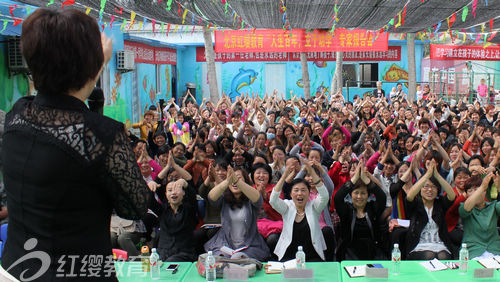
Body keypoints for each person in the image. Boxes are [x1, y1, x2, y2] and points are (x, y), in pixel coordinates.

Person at [1, 8, 150, 281]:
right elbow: (136, 207)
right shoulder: (103, 135)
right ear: (89, 66)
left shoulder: (16, 116)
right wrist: (96, 64)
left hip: (15, 267)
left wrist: (94, 64)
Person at [205, 166, 270, 261]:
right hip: (225, 244)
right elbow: (211, 197)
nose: (234, 181)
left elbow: (258, 199)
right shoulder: (224, 199)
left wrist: (237, 182)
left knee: (239, 259)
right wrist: (228, 181)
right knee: (220, 260)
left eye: (239, 178)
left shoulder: (251, 198)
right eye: (232, 178)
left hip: (250, 245)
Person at [270, 163, 329, 262]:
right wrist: (284, 175)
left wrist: (312, 172)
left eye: (303, 190)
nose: (299, 193)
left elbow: (324, 196)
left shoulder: (314, 206)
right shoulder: (287, 206)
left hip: (312, 255)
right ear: (291, 194)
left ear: (308, 193)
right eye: (296, 190)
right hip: (289, 256)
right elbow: (273, 200)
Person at [405, 161, 456, 260]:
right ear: (420, 189)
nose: (430, 190)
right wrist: (427, 174)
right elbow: (410, 196)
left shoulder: (440, 203)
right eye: (426, 186)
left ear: (437, 190)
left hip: (440, 245)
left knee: (443, 256)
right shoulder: (416, 204)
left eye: (433, 187)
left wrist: (437, 175)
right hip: (418, 245)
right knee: (429, 255)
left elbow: (452, 195)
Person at [459, 173, 500, 259]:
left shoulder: (494, 206)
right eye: (470, 191)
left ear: (485, 192)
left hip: (495, 250)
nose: (474, 193)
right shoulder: (464, 206)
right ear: (466, 195)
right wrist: (481, 187)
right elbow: (466, 208)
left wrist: (499, 188)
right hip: (473, 251)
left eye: (477, 189)